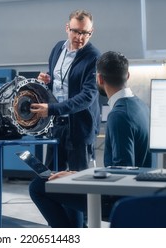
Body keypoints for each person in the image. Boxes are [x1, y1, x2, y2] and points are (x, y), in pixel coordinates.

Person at [29, 51, 152, 228]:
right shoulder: (140, 105)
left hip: (118, 201)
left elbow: (122, 174)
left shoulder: (119, 115)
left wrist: (81, 176)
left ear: (99, 79)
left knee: (39, 187)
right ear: (128, 76)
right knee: (59, 181)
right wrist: (77, 175)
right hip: (139, 194)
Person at [30, 9, 101, 172]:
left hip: (79, 129)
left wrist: (52, 109)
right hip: (57, 126)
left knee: (78, 182)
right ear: (67, 28)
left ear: (92, 32)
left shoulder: (94, 57)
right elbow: (57, 85)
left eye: (86, 33)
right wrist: (46, 82)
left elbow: (87, 96)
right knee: (50, 177)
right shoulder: (57, 49)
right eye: (76, 31)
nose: (80, 38)